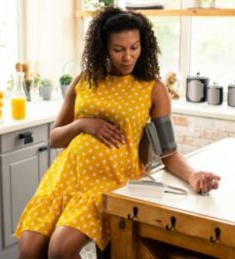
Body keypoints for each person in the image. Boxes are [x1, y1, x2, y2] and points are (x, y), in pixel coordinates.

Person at [15, 7, 221, 259]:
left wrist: (193, 175)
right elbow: (55, 138)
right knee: (29, 250)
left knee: (59, 250)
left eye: (134, 47)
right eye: (118, 49)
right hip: (65, 177)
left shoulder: (152, 89)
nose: (127, 57)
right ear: (103, 47)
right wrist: (83, 124)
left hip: (108, 182)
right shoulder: (84, 81)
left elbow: (168, 151)